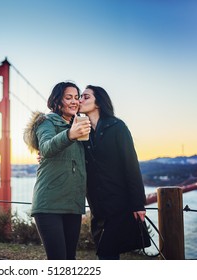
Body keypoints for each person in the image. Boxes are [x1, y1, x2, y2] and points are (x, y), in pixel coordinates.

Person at [78, 85, 149, 260]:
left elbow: (131, 165)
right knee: (107, 254)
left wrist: (138, 204)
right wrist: (43, 153)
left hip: (120, 203)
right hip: (97, 207)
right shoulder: (81, 131)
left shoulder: (118, 127)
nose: (80, 100)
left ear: (99, 102)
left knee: (106, 253)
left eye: (85, 97)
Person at [23, 81, 91, 260]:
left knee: (70, 260)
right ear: (57, 101)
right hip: (49, 204)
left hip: (73, 205)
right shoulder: (46, 122)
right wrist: (69, 135)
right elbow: (45, 147)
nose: (74, 101)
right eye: (68, 97)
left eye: (77, 97)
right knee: (58, 261)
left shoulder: (80, 126)